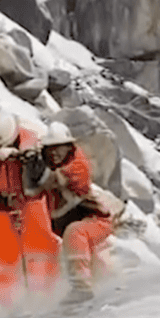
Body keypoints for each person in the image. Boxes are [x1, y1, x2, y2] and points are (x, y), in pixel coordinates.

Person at [0, 112, 59, 307]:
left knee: (40, 250)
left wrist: (29, 157)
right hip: (2, 207)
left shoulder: (32, 141)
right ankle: (4, 302)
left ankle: (46, 296)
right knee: (4, 258)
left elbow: (40, 179)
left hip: (30, 203)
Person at [33, 122, 115, 302]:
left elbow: (66, 181)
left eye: (58, 148)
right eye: (50, 149)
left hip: (95, 221)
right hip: (69, 226)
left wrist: (43, 174)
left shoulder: (77, 166)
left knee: (75, 233)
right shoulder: (54, 168)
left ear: (68, 147)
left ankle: (81, 288)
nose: (53, 153)